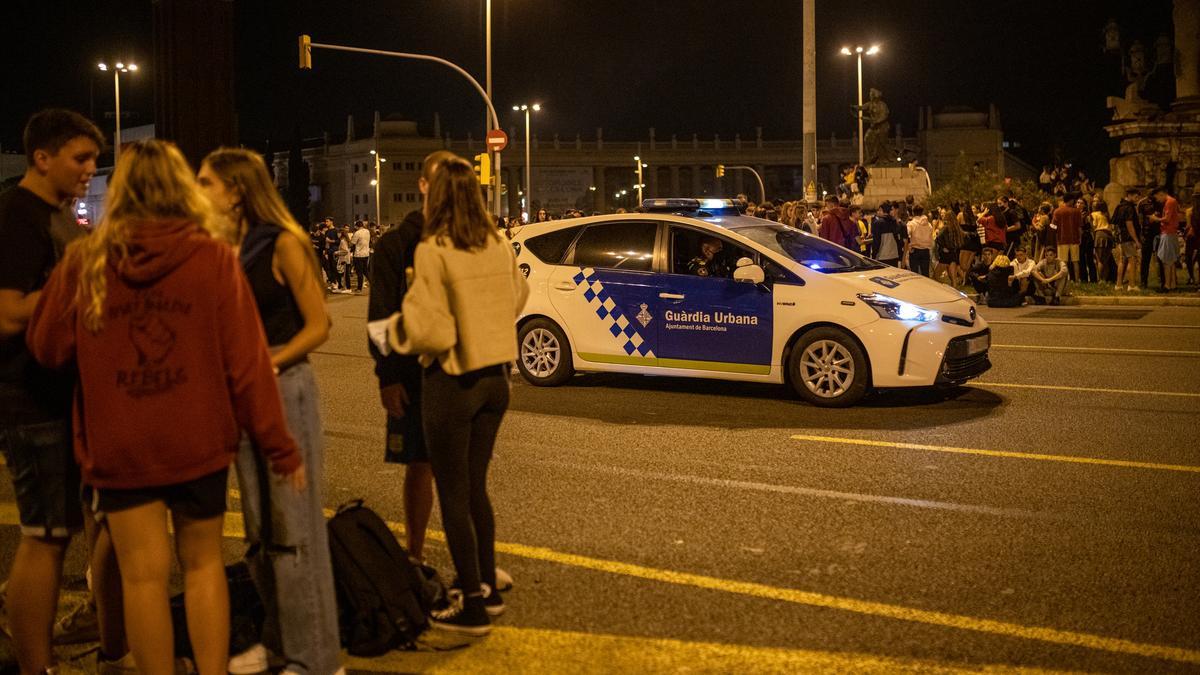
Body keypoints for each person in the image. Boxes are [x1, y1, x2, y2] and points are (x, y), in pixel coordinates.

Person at [26, 139, 304, 675]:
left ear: (121, 191)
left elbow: (47, 348)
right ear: (180, 189)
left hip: (120, 442)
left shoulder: (86, 261)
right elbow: (247, 363)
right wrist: (279, 444)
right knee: (202, 568)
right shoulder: (212, 258)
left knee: (141, 578)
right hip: (197, 438)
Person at [197, 148, 341, 675]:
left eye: (206, 182)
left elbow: (319, 324)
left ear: (236, 190)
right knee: (259, 530)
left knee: (295, 530)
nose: (199, 191)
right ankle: (280, 638)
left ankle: (316, 658)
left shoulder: (283, 243)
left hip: (285, 390)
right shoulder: (222, 248)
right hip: (240, 395)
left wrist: (268, 360)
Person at [0, 109, 130, 675]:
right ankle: (36, 665)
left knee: (61, 532)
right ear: (41, 157)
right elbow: (6, 312)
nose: (90, 169)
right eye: (80, 158)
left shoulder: (56, 217)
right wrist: (78, 288)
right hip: (28, 398)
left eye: (93, 160)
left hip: (61, 397)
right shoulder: (18, 217)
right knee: (45, 537)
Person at [385, 155, 529, 636]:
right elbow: (519, 299)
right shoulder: (496, 242)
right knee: (476, 489)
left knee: (451, 494)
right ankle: (486, 585)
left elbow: (426, 330)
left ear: (436, 194)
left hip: (452, 381)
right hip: (497, 380)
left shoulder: (435, 248)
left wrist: (399, 332)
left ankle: (469, 602)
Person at [366, 150, 453, 563]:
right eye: (437, 182)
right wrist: (387, 375)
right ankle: (414, 556)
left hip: (460, 373)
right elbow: (380, 316)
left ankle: (471, 565)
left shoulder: (467, 241)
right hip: (413, 375)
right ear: (422, 185)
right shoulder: (395, 246)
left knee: (462, 473)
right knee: (419, 466)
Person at [1149, 186, 1181, 292]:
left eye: (1157, 198)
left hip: (1167, 233)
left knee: (1166, 260)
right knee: (1170, 260)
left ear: (1161, 194)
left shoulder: (1169, 202)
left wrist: (1155, 219)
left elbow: (1167, 219)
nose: (1158, 200)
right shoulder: (1173, 201)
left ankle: (1167, 285)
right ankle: (1172, 285)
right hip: (1171, 233)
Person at [1112, 188, 1142, 290]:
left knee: (1122, 260)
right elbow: (1129, 224)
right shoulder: (1129, 208)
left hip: (1122, 237)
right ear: (1129, 195)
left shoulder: (1119, 206)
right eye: (1136, 196)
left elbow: (1114, 223)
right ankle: (1132, 285)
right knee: (1132, 260)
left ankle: (1119, 284)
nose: (1137, 199)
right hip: (1128, 238)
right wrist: (1137, 240)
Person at [1051, 195, 1083, 281]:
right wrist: (1080, 237)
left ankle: (1065, 280)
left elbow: (1053, 226)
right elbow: (1079, 227)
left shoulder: (1057, 211)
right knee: (1075, 261)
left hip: (1062, 239)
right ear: (1071, 200)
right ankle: (1077, 280)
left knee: (1063, 262)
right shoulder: (1077, 211)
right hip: (1074, 239)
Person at [933, 206, 964, 286]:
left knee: (935, 276)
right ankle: (955, 292)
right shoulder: (957, 228)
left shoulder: (945, 228)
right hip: (953, 254)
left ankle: (943, 288)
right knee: (953, 278)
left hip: (945, 255)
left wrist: (943, 247)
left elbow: (938, 238)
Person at [870, 202, 903, 267]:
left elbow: (876, 241)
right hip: (894, 255)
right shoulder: (894, 222)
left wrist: (874, 255)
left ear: (883, 211)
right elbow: (899, 240)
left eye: (879, 210)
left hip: (882, 256)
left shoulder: (878, 223)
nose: (878, 212)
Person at [905, 205, 933, 276]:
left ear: (913, 213)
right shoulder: (929, 225)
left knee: (914, 274)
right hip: (926, 250)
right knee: (925, 274)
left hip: (915, 250)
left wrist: (909, 245)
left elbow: (907, 234)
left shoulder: (911, 224)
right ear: (922, 212)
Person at [351, 220, 371, 293]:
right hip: (366, 254)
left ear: (356, 226)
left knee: (359, 272)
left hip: (358, 254)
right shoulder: (367, 231)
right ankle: (373, 284)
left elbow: (353, 243)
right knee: (365, 271)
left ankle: (359, 288)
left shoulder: (357, 233)